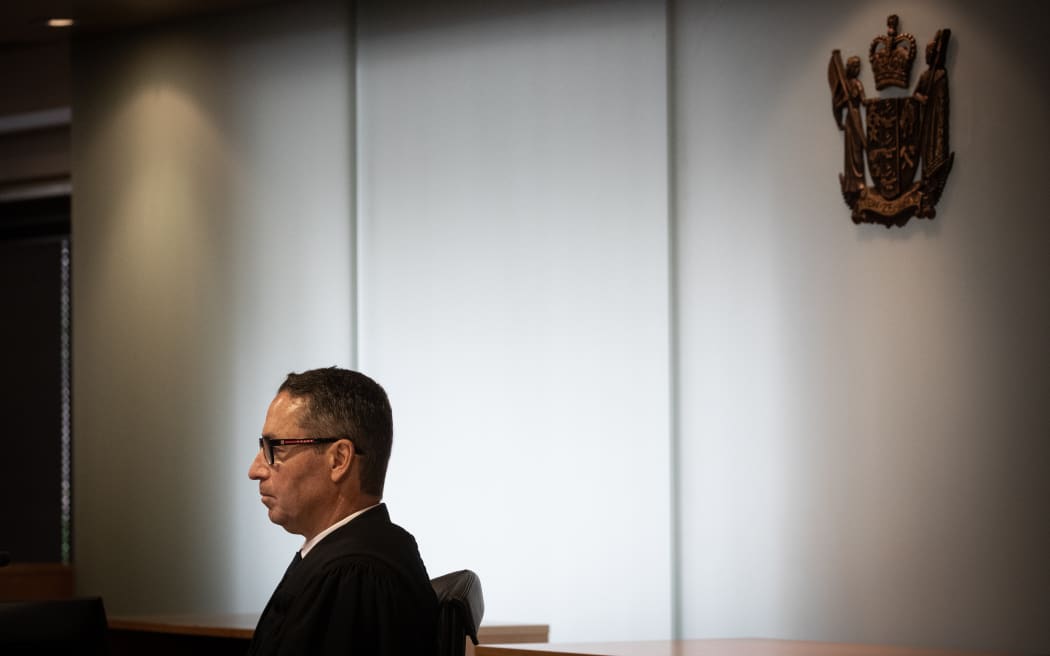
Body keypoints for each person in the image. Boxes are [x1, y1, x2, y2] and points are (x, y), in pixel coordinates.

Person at [247, 367, 438, 655]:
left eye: (275, 448)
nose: (255, 470)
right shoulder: (356, 555)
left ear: (338, 459)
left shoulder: (353, 575)